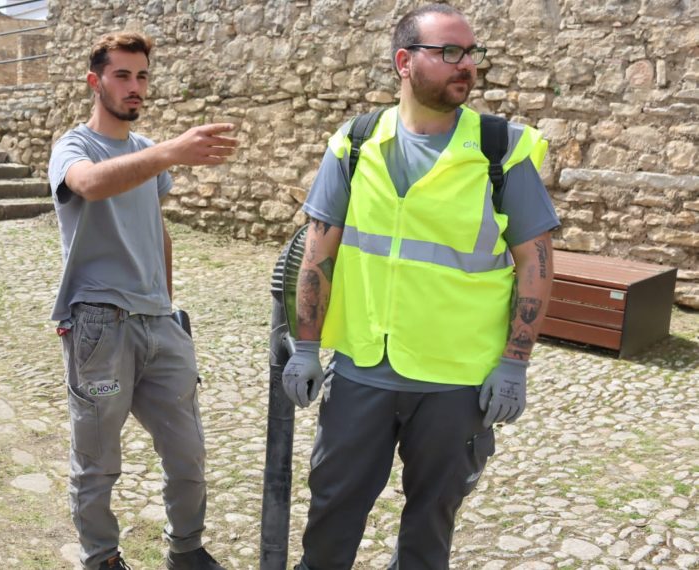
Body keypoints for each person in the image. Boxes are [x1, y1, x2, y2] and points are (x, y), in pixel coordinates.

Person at [281, 4, 559, 569]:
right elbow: (318, 251)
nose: (467, 65)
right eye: (449, 52)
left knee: (431, 522)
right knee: (332, 514)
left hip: (456, 382)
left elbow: (537, 260)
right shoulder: (355, 143)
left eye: (471, 53)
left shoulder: (500, 149)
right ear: (404, 62)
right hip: (362, 369)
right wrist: (306, 346)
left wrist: (515, 362)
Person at [47, 31, 239, 570]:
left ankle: (187, 550)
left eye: (142, 76)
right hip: (99, 326)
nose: (135, 87)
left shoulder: (147, 153)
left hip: (160, 324)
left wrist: (169, 308)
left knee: (188, 452)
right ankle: (102, 557)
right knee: (97, 459)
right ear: (96, 81)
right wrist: (170, 151)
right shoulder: (74, 147)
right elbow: (87, 185)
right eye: (123, 75)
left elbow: (158, 231)